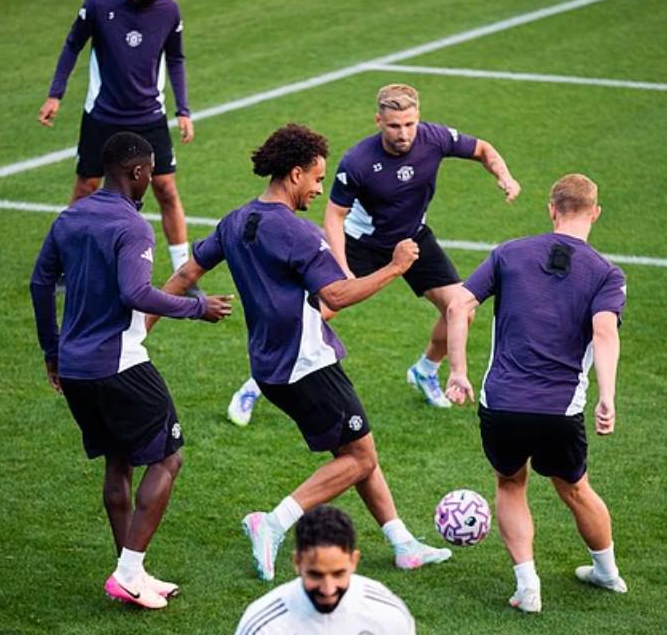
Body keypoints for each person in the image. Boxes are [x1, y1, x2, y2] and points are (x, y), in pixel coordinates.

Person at [158, 124, 452, 581]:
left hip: (269, 366)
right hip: (306, 364)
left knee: (358, 447)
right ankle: (273, 523)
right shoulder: (298, 232)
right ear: (295, 174)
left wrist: (141, 325)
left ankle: (403, 544)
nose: (319, 188)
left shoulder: (235, 220)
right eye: (316, 178)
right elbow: (336, 296)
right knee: (359, 458)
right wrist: (395, 268)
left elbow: (184, 275)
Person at [227, 83, 520, 420]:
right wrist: (342, 267)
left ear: (418, 118)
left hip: (412, 239)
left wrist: (505, 176)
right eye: (394, 125)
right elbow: (334, 216)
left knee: (460, 309)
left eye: (409, 124)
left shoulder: (435, 138)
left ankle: (425, 371)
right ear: (378, 121)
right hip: (362, 243)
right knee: (314, 315)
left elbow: (483, 149)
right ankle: (255, 386)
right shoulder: (358, 160)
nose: (403, 133)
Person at [29, 132, 232, 610]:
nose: (151, 180)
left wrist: (52, 352)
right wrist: (196, 307)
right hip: (119, 364)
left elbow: (40, 283)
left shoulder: (70, 217)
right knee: (169, 458)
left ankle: (132, 574)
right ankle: (127, 571)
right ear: (138, 172)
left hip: (76, 369)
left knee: (118, 461)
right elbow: (135, 293)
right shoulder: (132, 226)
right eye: (150, 172)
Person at [445, 174, 628, 613]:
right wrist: (607, 396)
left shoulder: (509, 253)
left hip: (501, 403)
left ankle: (528, 586)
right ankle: (607, 573)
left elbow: (457, 305)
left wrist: (458, 372)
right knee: (575, 488)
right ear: (595, 213)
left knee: (510, 483)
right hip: (559, 410)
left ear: (551, 209)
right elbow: (604, 332)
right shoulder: (606, 273)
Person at [38, 0, 195, 272]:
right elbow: (73, 45)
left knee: (166, 189)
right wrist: (55, 94)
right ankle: (62, 264)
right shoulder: (98, 5)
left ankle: (185, 274)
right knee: (86, 188)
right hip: (103, 116)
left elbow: (175, 58)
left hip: (149, 117)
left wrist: (183, 109)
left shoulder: (169, 10)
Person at [234, 505, 416, 634]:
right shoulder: (264, 627)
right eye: (315, 575)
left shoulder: (389, 616)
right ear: (297, 562)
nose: (328, 589)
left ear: (353, 561)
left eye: (338, 574)